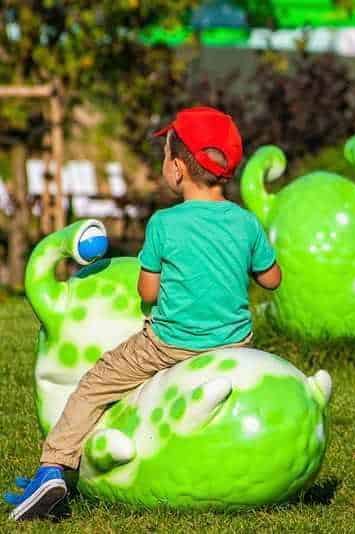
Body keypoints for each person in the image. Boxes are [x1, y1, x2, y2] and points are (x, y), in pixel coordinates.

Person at [4, 106, 282, 521]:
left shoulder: (164, 224)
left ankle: (53, 467)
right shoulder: (246, 223)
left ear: (177, 168)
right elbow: (272, 280)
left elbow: (147, 291)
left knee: (94, 385)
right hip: (235, 343)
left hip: (170, 344)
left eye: (165, 156)